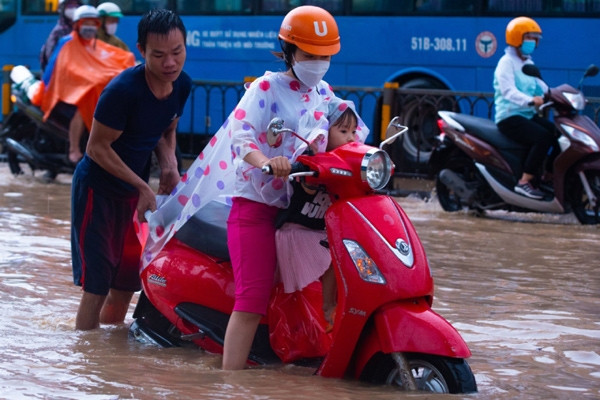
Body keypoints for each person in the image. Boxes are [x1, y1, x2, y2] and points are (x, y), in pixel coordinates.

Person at [70, 8, 191, 330]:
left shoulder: (182, 85)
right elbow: (96, 148)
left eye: (177, 53)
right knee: (96, 286)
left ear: (185, 47)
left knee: (125, 283)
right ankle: (85, 358)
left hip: (133, 194)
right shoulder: (123, 91)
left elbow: (166, 130)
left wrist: (169, 165)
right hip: (97, 191)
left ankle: (108, 359)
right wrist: (144, 187)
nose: (170, 63)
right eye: (159, 55)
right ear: (141, 51)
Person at [274, 98, 359, 327]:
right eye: (343, 131)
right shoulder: (311, 162)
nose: (351, 138)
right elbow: (309, 184)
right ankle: (328, 306)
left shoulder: (347, 167)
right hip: (296, 232)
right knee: (335, 256)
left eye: (353, 131)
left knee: (348, 254)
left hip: (318, 235)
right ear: (323, 133)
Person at [34, 5, 135, 165]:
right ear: (77, 25)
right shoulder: (67, 43)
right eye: (85, 23)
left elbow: (116, 58)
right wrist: (89, 79)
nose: (89, 27)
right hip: (67, 91)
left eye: (92, 23)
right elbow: (66, 68)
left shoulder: (96, 43)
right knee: (82, 105)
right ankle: (74, 149)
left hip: (92, 87)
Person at [493, 16, 556, 200]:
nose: (534, 42)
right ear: (517, 38)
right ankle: (524, 182)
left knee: (556, 133)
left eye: (535, 39)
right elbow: (508, 91)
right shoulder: (506, 63)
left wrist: (556, 95)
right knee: (542, 137)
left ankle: (548, 175)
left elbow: (541, 86)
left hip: (526, 116)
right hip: (510, 116)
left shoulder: (527, 63)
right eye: (530, 37)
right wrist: (530, 101)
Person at [39, 0, 82, 73]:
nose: (74, 9)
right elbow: (52, 60)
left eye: (76, 5)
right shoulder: (58, 33)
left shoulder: (82, 30)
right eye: (70, 5)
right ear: (62, 9)